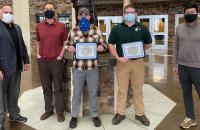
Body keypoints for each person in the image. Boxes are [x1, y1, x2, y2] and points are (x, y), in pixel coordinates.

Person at [108, 4, 152, 126]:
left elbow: (148, 44)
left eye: (132, 12)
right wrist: (118, 57)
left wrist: (138, 50)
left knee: (138, 90)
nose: (129, 14)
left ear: (136, 14)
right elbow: (110, 44)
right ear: (124, 14)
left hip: (138, 63)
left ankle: (140, 114)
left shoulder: (142, 28)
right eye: (127, 12)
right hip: (123, 62)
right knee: (122, 90)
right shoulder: (116, 29)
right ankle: (120, 113)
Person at [65, 7, 107, 129]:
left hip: (92, 68)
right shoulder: (73, 31)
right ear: (78, 17)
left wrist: (101, 47)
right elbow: (67, 45)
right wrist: (69, 48)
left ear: (89, 17)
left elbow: (103, 44)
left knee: (93, 93)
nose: (84, 17)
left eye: (86, 15)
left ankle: (94, 115)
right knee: (76, 93)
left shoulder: (96, 30)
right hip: (77, 68)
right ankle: (74, 116)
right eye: (81, 15)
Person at [36, 2, 67, 122]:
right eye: (46, 9)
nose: (49, 10)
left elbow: (65, 43)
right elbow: (38, 42)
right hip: (43, 61)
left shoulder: (61, 26)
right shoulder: (39, 26)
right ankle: (48, 110)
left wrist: (60, 56)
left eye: (51, 9)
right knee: (46, 87)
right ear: (43, 11)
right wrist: (38, 55)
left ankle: (59, 111)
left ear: (55, 11)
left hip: (56, 61)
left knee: (58, 87)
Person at [0, 5, 30, 130]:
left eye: (11, 12)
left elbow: (21, 45)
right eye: (6, 12)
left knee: (14, 93)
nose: (8, 14)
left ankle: (14, 114)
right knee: (1, 96)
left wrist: (26, 60)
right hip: (3, 68)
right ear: (0, 14)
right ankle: (1, 120)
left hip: (16, 66)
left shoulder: (17, 27)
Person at [173, 3, 200, 129]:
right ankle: (190, 118)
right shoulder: (179, 28)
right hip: (183, 67)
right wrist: (175, 64)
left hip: (198, 67)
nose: (190, 14)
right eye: (187, 12)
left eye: (192, 11)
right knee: (186, 93)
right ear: (184, 13)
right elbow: (176, 47)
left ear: (197, 13)